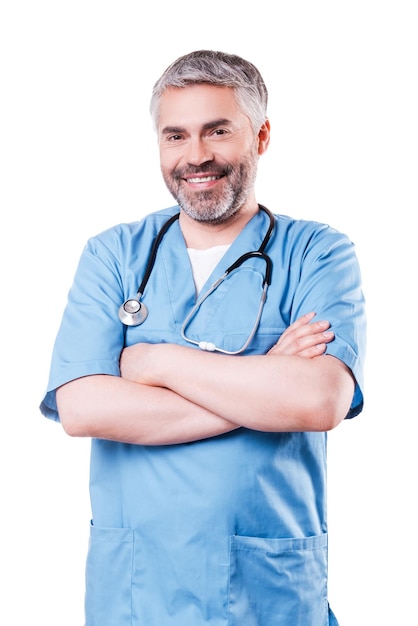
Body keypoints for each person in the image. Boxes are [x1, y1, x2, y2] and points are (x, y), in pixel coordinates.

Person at [40, 50, 366, 625]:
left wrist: (154, 360)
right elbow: (82, 407)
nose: (196, 157)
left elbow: (318, 400)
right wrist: (264, 385)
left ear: (261, 136)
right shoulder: (114, 254)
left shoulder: (317, 252)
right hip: (136, 595)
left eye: (218, 131)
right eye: (176, 136)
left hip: (267, 594)